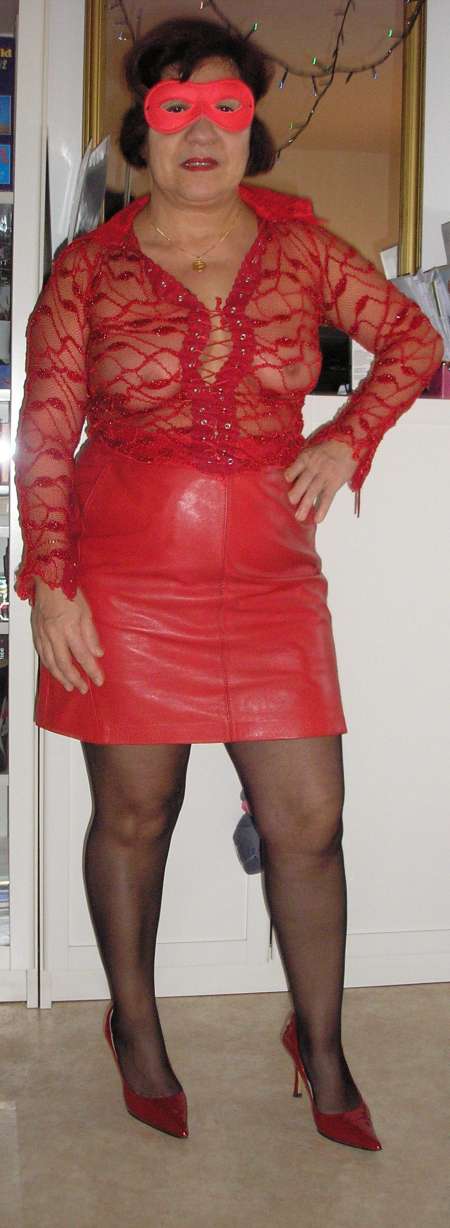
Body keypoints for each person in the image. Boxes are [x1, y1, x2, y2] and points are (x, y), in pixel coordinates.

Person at [13, 16, 443, 1149]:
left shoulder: (302, 249)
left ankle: (324, 1046)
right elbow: (45, 431)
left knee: (311, 820)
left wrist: (347, 438)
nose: (200, 131)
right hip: (123, 579)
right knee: (135, 815)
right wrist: (51, 582)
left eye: (224, 109)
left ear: (249, 130)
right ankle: (136, 1029)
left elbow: (410, 338)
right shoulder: (88, 267)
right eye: (175, 108)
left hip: (269, 583)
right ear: (142, 131)